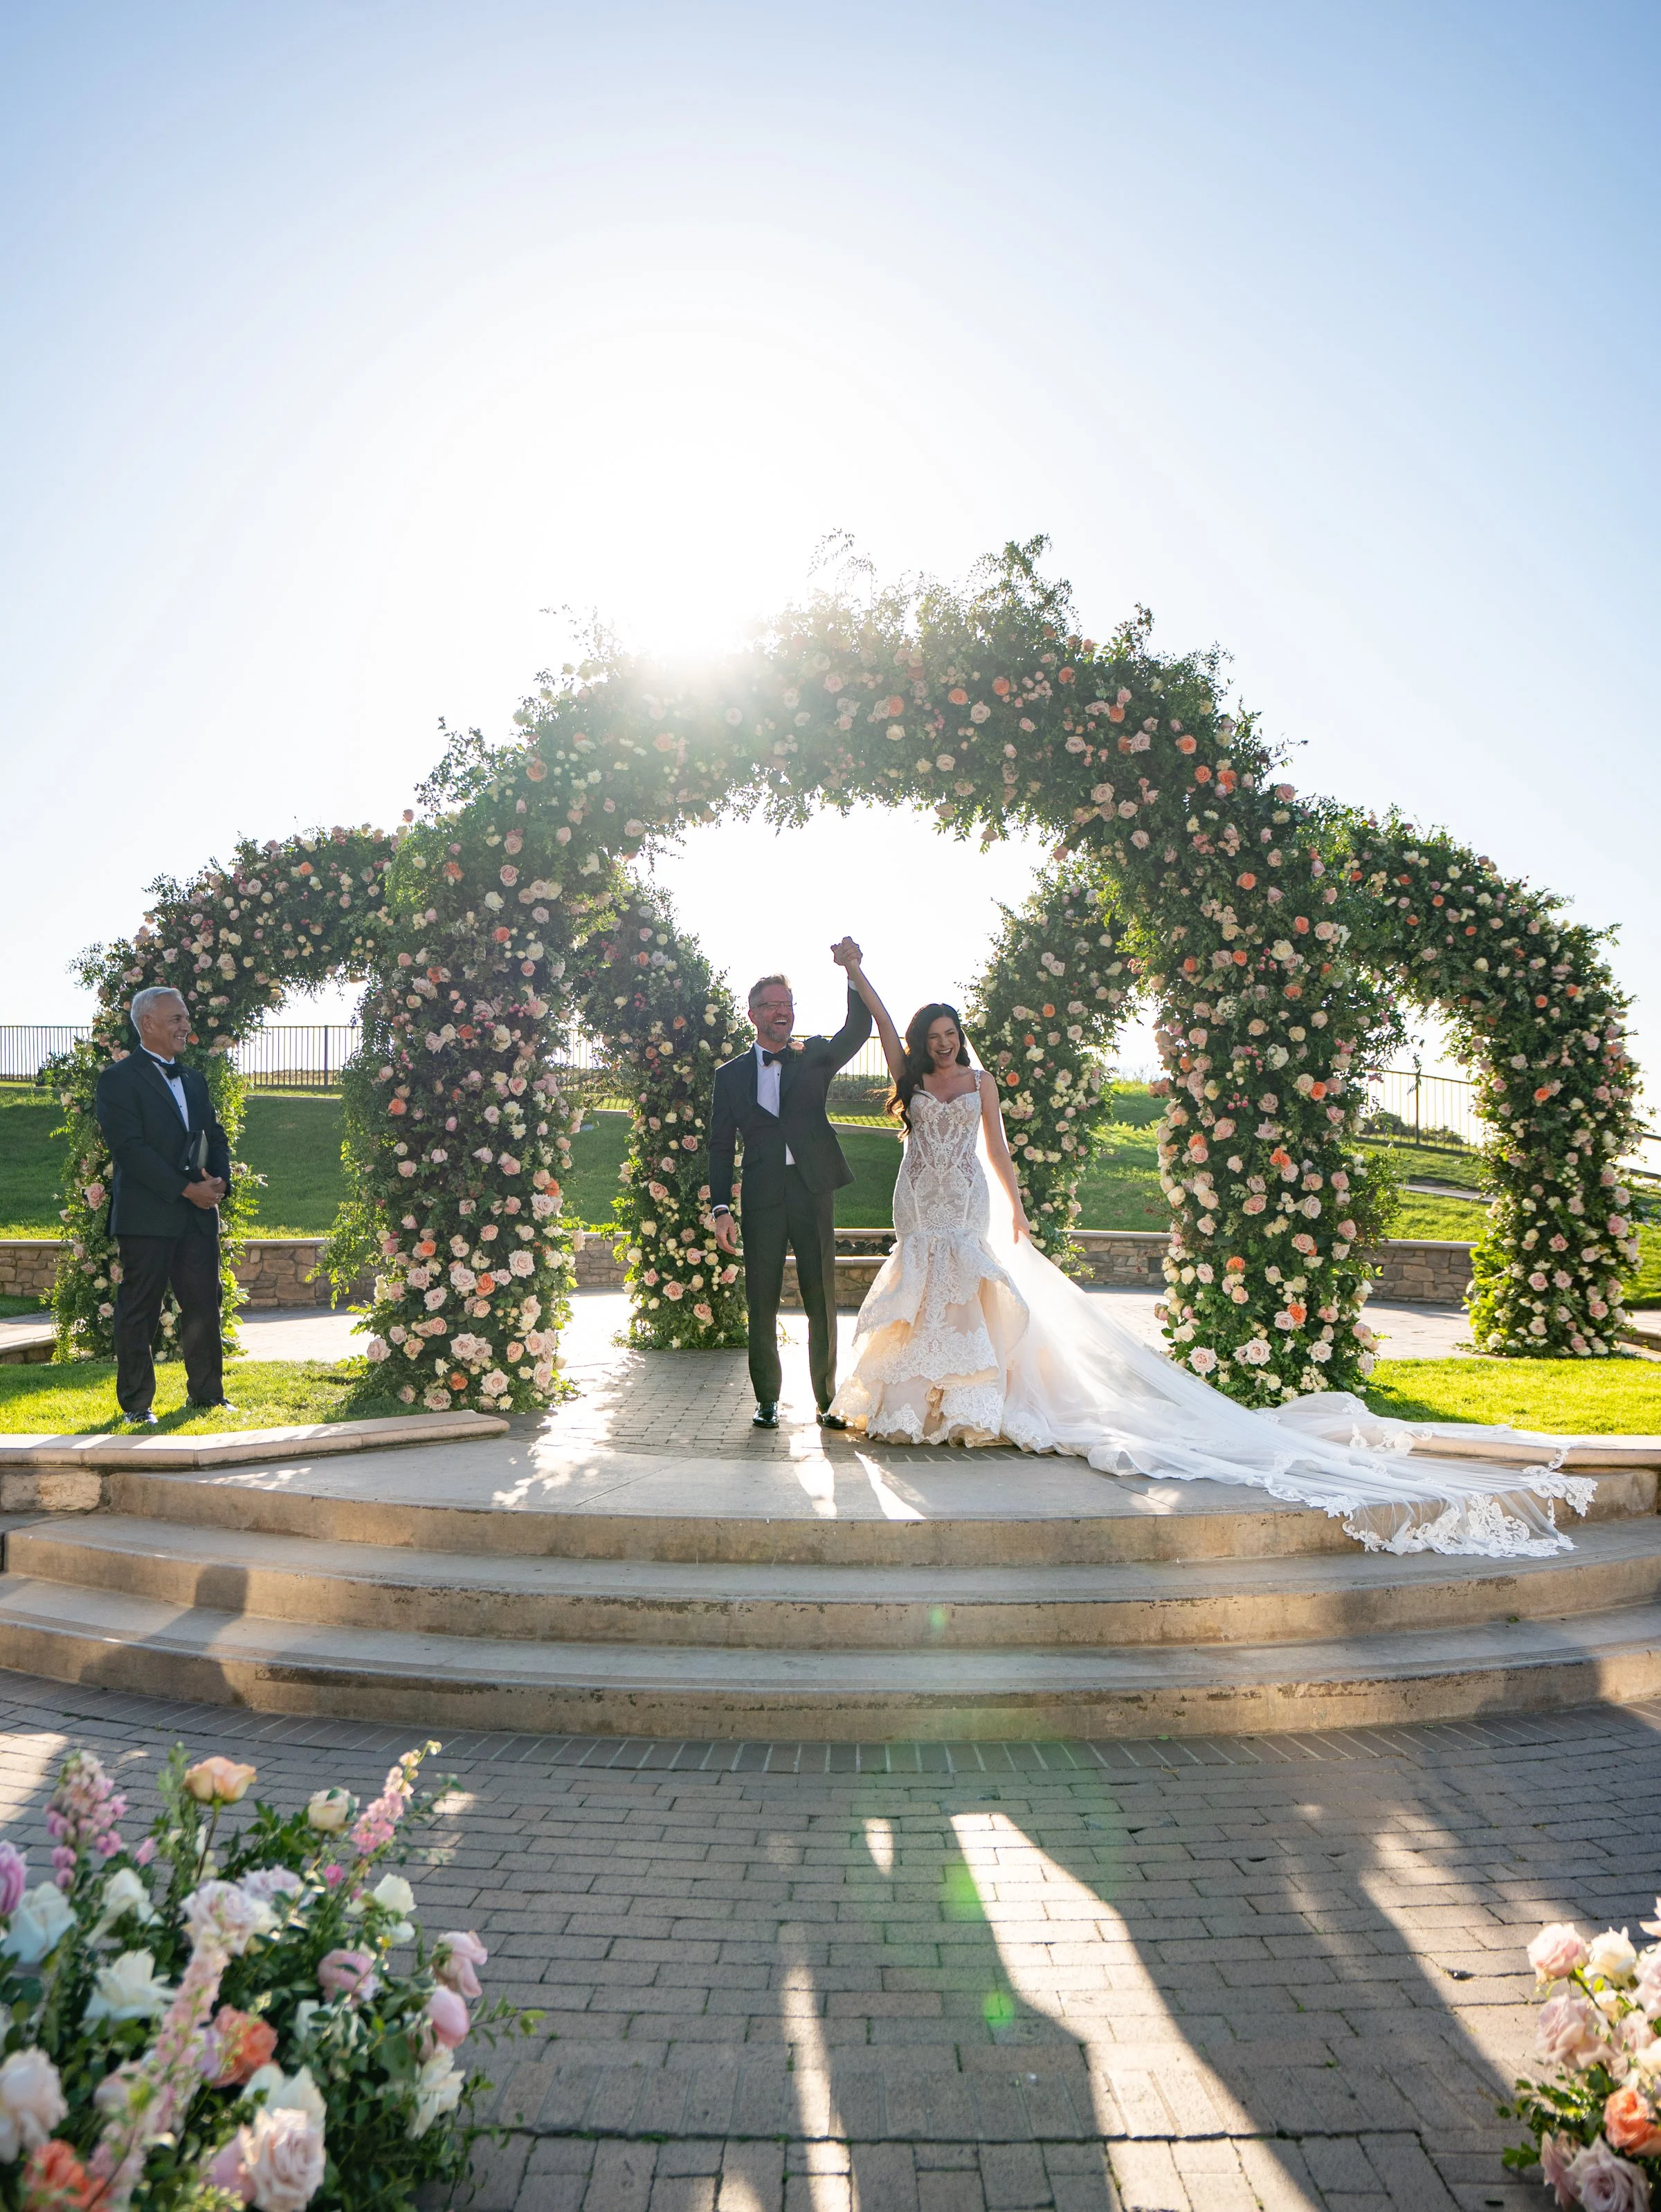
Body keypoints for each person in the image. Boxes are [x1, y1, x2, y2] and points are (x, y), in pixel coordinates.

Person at [826, 950, 1599, 1560]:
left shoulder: (981, 1079)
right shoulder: (911, 1075)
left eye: (950, 1034)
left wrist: (1017, 1206)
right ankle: (915, 1404)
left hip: (966, 1202)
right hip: (916, 1202)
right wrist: (858, 972)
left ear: (960, 1035)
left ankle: (964, 1409)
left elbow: (997, 1147)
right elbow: (884, 1027)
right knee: (920, 1290)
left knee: (964, 1294)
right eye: (935, 1037)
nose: (943, 1044)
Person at [708, 946, 873, 1429]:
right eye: (772, 1005)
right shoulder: (730, 1076)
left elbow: (857, 1029)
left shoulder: (814, 1056)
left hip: (812, 1189)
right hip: (762, 1195)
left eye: (788, 1004)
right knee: (760, 1299)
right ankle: (767, 1400)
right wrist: (721, 1208)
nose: (783, 1012)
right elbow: (720, 1146)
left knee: (820, 1296)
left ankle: (827, 1400)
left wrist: (852, 973)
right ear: (753, 1014)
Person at [93, 987, 235, 1426]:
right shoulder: (118, 1080)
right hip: (147, 1216)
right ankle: (137, 1405)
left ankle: (208, 1396)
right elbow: (130, 1150)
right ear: (148, 1023)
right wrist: (185, 1189)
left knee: (204, 1306)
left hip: (198, 1216)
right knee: (139, 1310)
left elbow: (215, 1135)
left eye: (186, 1017)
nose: (185, 1026)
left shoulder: (194, 1079)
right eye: (176, 1018)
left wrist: (220, 1181)